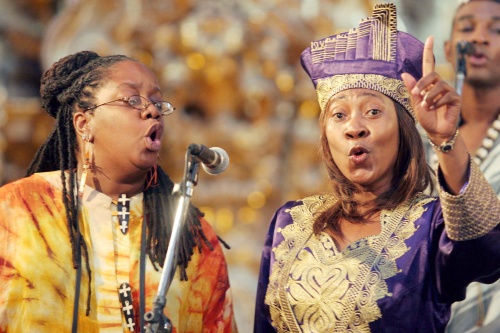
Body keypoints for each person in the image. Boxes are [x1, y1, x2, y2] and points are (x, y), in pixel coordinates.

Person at [254, 3, 500, 332]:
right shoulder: (290, 221)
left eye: (372, 112)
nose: (354, 127)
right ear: (326, 136)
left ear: (402, 131)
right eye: (339, 115)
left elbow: (486, 251)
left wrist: (445, 139)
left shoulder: (431, 226)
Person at [0, 51, 237, 332]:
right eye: (132, 100)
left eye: (158, 102)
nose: (153, 110)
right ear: (84, 124)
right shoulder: (16, 210)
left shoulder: (189, 235)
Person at [437, 0, 500, 332]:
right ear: (449, 50)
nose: (480, 38)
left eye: (496, 30)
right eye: (467, 28)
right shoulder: (419, 142)